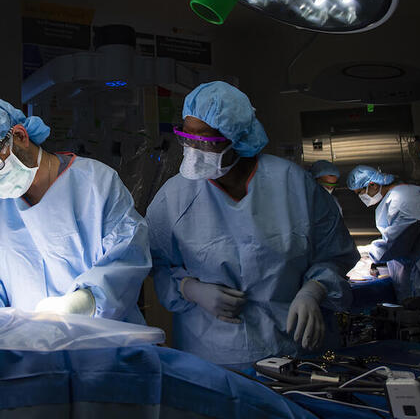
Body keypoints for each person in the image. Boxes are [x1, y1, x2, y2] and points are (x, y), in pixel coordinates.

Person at [147, 81, 358, 366]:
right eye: (186, 136)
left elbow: (335, 254)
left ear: (237, 137)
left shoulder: (291, 183)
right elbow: (156, 264)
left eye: (206, 140)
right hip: (212, 355)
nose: (194, 149)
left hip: (292, 350)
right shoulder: (173, 197)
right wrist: (188, 288)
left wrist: (315, 289)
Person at [0, 97, 150, 323]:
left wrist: (82, 303)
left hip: (101, 343)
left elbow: (127, 257)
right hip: (30, 349)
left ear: (20, 136)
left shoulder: (96, 183)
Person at [347, 165, 420, 302]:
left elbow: (396, 244)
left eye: (359, 193)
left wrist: (365, 252)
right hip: (410, 269)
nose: (361, 197)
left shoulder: (402, 200)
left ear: (372, 185)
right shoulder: (395, 198)